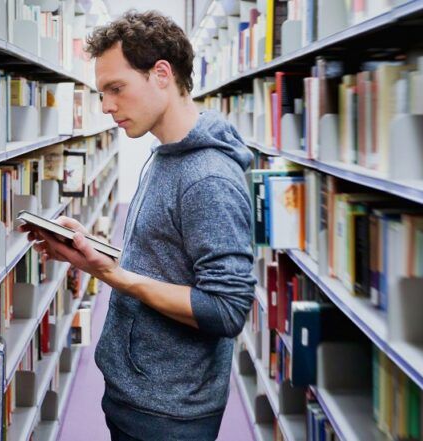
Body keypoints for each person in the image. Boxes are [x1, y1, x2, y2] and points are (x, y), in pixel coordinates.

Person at [20, 10, 257, 441]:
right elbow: (166, 260)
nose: (107, 105)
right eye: (102, 93)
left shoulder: (208, 179)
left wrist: (114, 275)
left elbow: (226, 309)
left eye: (116, 88)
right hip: (138, 389)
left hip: (169, 412)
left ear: (161, 74)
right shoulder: (166, 153)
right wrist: (92, 253)